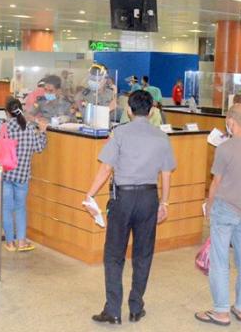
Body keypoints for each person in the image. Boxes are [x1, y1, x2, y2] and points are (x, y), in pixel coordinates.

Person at [84, 90, 176, 325]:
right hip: (148, 198)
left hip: (122, 198)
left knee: (114, 254)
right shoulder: (161, 136)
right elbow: (166, 174)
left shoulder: (119, 133)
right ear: (152, 111)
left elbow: (106, 168)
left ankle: (113, 310)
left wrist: (90, 194)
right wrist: (164, 202)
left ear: (128, 109)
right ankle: (136, 307)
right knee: (143, 254)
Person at [194, 103, 241, 326]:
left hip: (224, 210)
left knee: (220, 261)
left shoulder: (225, 148)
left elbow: (216, 182)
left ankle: (221, 311)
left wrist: (208, 205)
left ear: (230, 121)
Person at [0, 97, 48, 252]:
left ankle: (10, 243)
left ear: (7, 112)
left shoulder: (2, 128)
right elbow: (39, 148)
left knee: (6, 209)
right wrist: (42, 132)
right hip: (22, 175)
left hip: (4, 174)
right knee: (20, 208)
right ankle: (22, 242)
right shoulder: (28, 128)